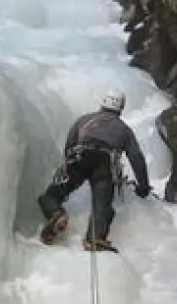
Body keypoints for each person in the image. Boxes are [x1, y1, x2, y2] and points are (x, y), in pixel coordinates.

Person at [38, 91, 151, 252]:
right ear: (120, 108)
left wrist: (66, 168)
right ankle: (95, 238)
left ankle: (56, 212)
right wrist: (143, 186)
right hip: (105, 163)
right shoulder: (124, 129)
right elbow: (136, 157)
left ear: (103, 103)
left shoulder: (83, 120)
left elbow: (69, 145)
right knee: (102, 205)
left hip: (78, 157)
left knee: (50, 196)